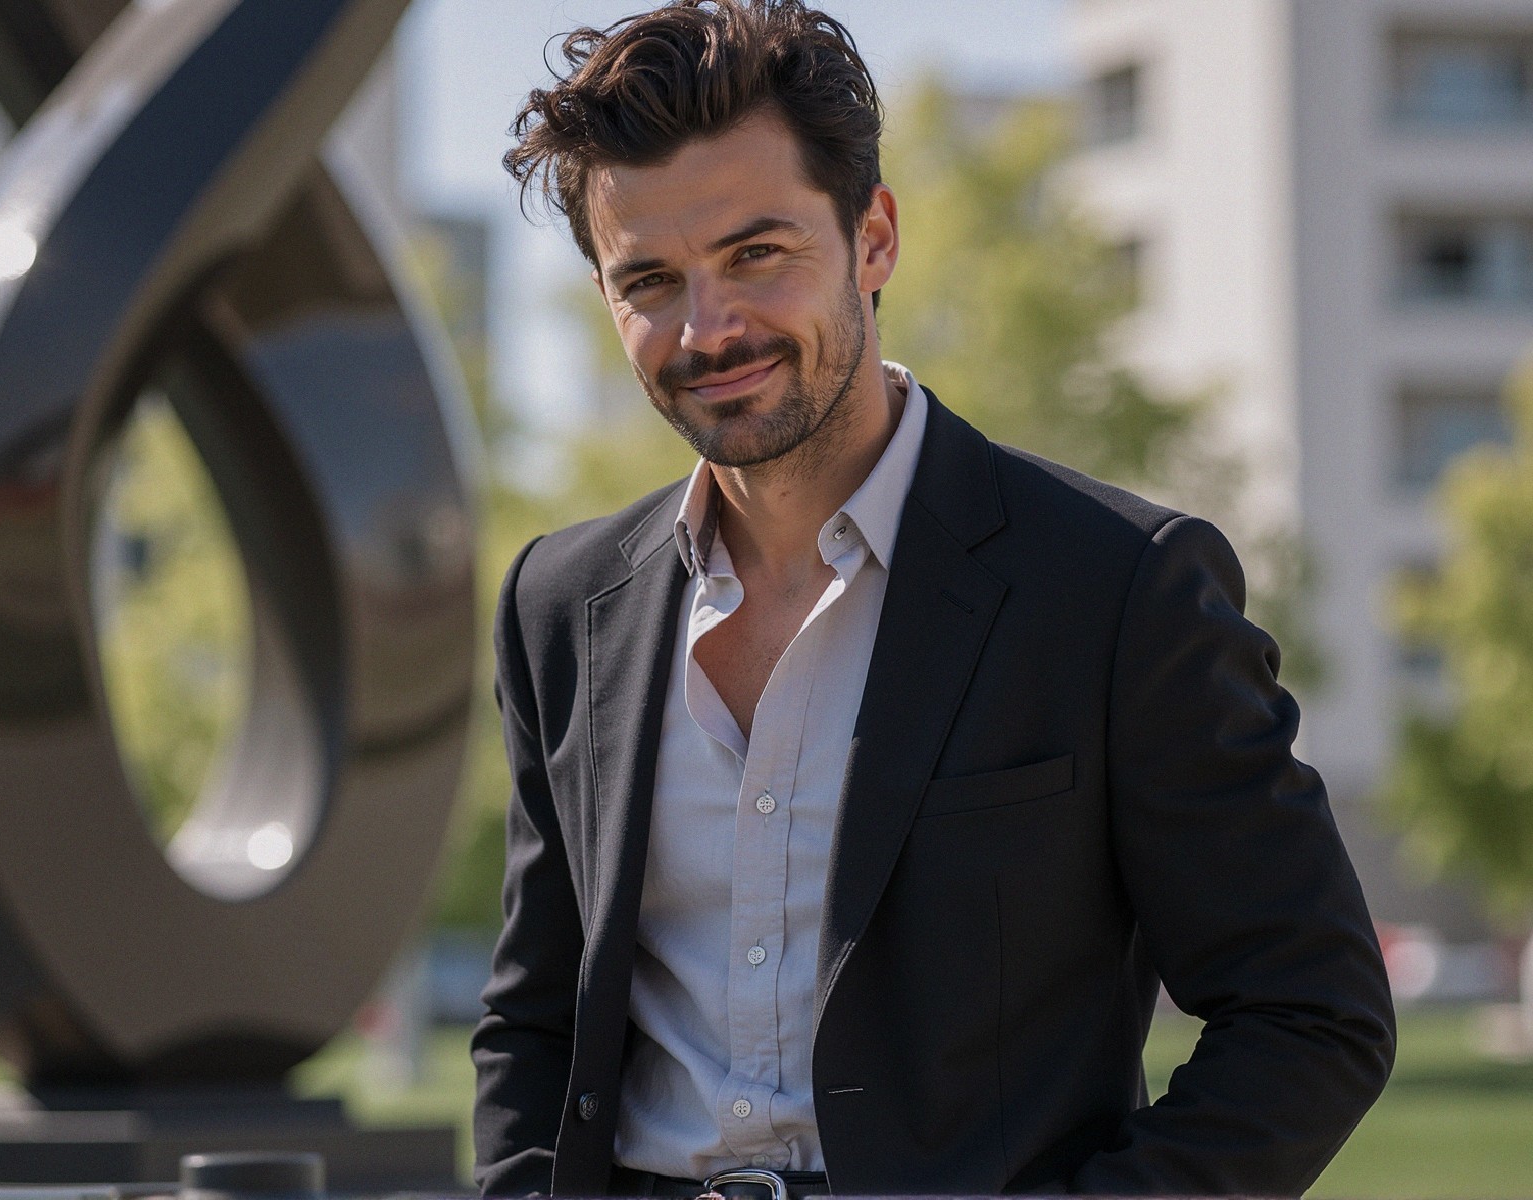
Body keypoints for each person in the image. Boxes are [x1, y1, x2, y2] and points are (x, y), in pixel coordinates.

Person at [471, 2, 1396, 1196]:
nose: (709, 327)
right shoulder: (561, 605)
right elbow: (535, 1023)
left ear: (873, 240)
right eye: (649, 279)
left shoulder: (1118, 590)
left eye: (758, 253)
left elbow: (1309, 1013)